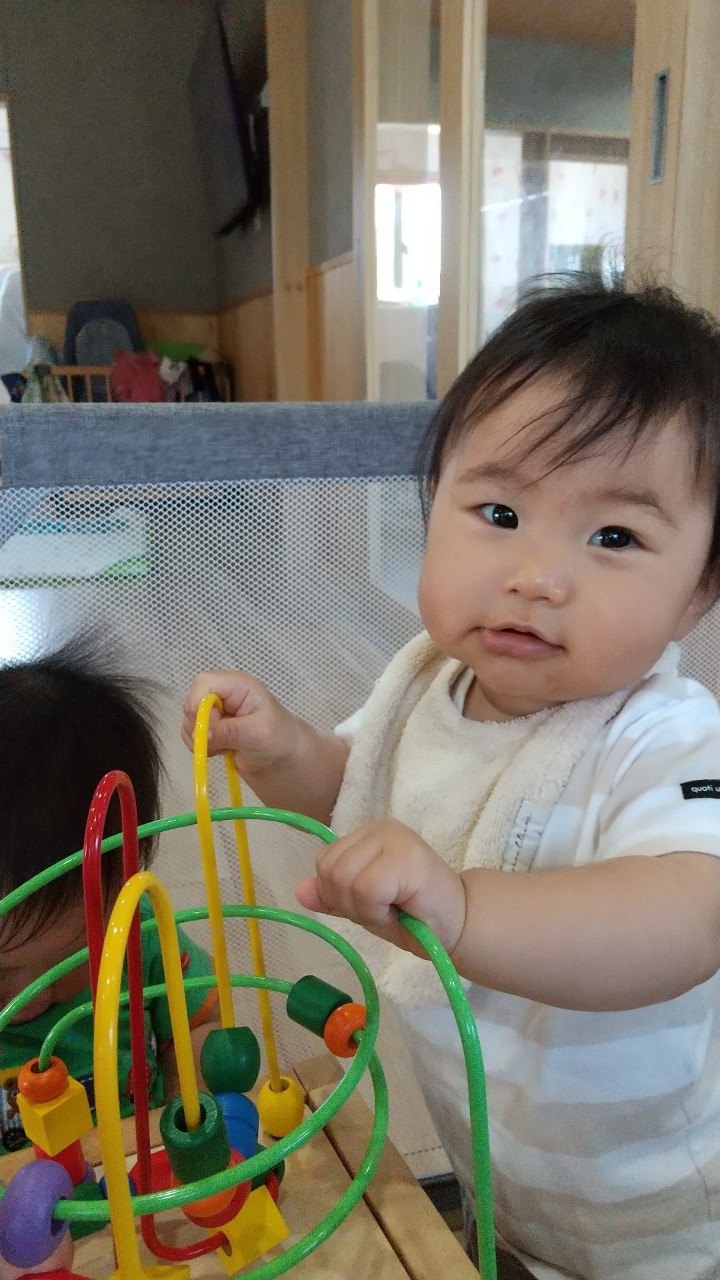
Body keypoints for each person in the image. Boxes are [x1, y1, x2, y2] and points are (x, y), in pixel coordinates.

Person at [182, 272, 720, 1280]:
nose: (537, 576)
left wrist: (465, 907)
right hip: (505, 1166)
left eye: (614, 536)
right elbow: (357, 791)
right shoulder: (424, 683)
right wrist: (284, 748)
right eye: (499, 511)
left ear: (698, 592)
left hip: (655, 1211)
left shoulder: (666, 737)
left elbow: (690, 914)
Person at [0, 636, 218, 1153]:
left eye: (64, 966)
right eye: (2, 971)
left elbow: (197, 1024)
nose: (30, 996)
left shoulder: (138, 934)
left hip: (143, 1173)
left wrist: (193, 1113)